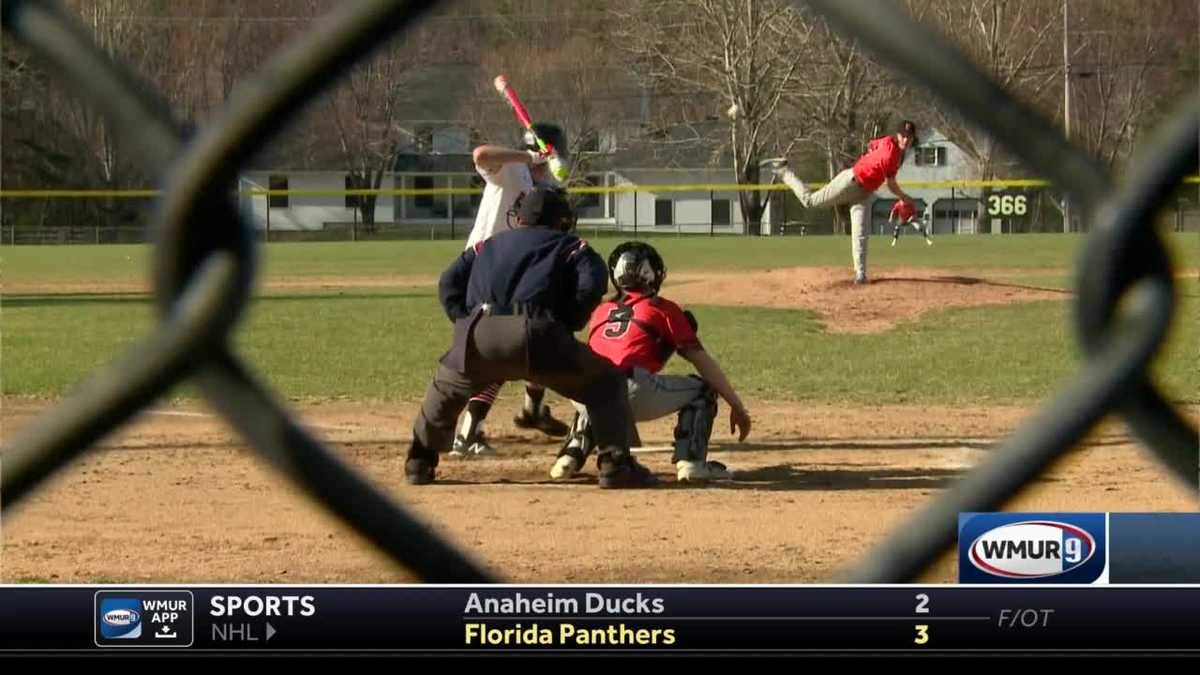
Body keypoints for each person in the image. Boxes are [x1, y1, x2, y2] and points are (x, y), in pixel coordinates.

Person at [405, 187, 658, 489]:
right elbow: (591, 284)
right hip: (538, 331)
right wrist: (567, 321)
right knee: (606, 383)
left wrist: (464, 321)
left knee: (445, 388)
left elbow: (449, 281)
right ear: (561, 220)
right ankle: (616, 465)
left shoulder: (487, 245)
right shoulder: (572, 245)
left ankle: (419, 461)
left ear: (520, 217)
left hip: (480, 330)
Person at [549, 241, 752, 483]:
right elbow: (703, 363)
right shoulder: (663, 309)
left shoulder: (602, 310)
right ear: (651, 274)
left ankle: (570, 456)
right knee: (705, 389)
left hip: (584, 394)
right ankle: (692, 463)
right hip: (633, 390)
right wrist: (737, 406)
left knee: (595, 385)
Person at [450, 123, 572, 459]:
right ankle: (466, 436)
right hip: (479, 273)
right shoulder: (512, 170)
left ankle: (532, 408)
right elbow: (480, 154)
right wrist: (528, 154)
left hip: (508, 277)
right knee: (498, 354)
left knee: (542, 333)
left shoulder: (542, 184)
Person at [763, 120, 920, 284]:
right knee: (810, 201)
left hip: (864, 192)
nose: (906, 140)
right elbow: (890, 184)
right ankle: (784, 171)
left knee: (861, 232)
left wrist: (869, 160)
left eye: (909, 137)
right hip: (849, 183)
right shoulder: (890, 155)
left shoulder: (887, 141)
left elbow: (871, 145)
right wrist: (905, 198)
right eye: (903, 135)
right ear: (898, 135)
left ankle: (860, 274)